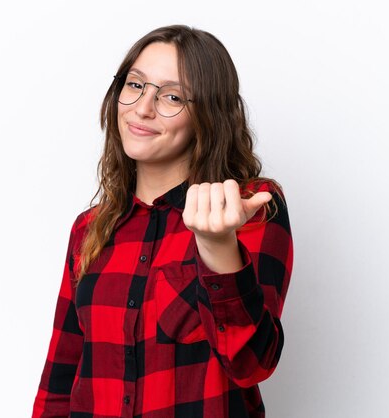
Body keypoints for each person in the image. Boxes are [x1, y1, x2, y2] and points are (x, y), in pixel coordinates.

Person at [32, 24, 293, 418]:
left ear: (207, 114)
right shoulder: (89, 229)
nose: (143, 108)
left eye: (171, 96)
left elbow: (252, 364)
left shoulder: (250, 209)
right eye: (135, 85)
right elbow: (60, 379)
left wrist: (218, 248)